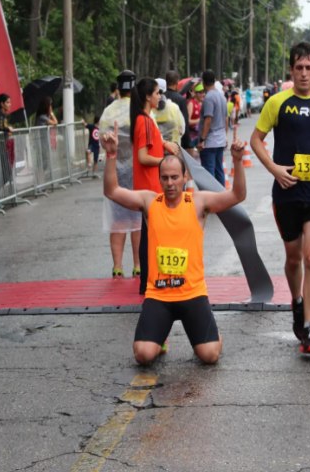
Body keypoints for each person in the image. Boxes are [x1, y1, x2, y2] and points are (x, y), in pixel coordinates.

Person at [102, 123, 247, 365]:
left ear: (185, 177)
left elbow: (237, 196)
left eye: (175, 178)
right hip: (159, 295)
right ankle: (158, 339)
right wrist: (110, 155)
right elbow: (112, 191)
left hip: (192, 293)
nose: (170, 183)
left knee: (209, 355)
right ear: (159, 180)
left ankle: (211, 335)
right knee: (143, 355)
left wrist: (238, 161)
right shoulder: (150, 202)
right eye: (165, 178)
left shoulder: (198, 202)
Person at [249, 42, 310, 354]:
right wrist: (274, 168)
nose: (304, 73)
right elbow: (256, 139)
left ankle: (309, 327)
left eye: (309, 67)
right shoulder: (277, 102)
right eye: (299, 67)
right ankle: (297, 301)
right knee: (294, 258)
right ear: (291, 70)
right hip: (287, 192)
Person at [131, 77, 179, 295]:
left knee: (149, 234)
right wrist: (165, 163)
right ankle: (149, 281)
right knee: (152, 236)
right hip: (150, 186)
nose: (160, 96)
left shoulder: (145, 119)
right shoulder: (145, 121)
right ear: (148, 96)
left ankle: (148, 281)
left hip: (148, 185)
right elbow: (143, 156)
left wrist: (164, 145)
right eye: (158, 93)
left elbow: (150, 147)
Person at [99, 70, 142, 278]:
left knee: (117, 220)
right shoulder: (140, 110)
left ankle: (117, 267)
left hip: (114, 169)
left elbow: (102, 139)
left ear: (118, 88)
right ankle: (138, 265)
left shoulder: (109, 112)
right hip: (138, 169)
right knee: (138, 218)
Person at [197, 69, 228, 184]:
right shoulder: (222, 97)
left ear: (203, 82)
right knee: (219, 170)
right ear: (214, 81)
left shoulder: (209, 98)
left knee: (209, 172)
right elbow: (226, 118)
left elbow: (208, 119)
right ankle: (221, 196)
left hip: (210, 141)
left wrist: (202, 139)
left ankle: (211, 197)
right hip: (220, 139)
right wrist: (225, 136)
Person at [164, 70, 191, 150]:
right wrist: (187, 143)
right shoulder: (180, 99)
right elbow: (184, 122)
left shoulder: (160, 97)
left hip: (163, 139)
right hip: (177, 140)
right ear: (177, 82)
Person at [154, 78, 186, 145]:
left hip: (155, 148)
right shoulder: (174, 107)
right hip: (173, 148)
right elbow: (182, 129)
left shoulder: (148, 109)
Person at [187, 82, 204, 153]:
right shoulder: (191, 103)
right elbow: (188, 121)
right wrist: (199, 120)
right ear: (195, 94)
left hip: (200, 137)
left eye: (203, 92)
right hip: (192, 138)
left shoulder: (202, 103)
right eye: (200, 92)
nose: (202, 94)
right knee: (192, 161)